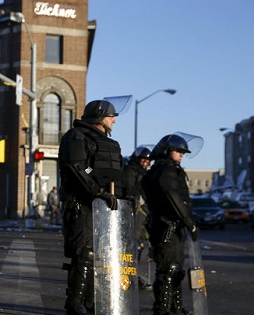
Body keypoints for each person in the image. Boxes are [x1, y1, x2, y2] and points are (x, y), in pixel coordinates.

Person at [58, 100, 125, 315]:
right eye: (111, 116)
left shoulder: (107, 143)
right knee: (84, 253)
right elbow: (76, 168)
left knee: (100, 255)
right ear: (99, 116)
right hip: (81, 205)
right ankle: (75, 304)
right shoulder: (76, 137)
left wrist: (123, 198)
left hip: (103, 209)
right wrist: (98, 192)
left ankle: (92, 303)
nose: (114, 120)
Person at [142, 134, 198, 315]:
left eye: (183, 151)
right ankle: (163, 309)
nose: (182, 154)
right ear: (167, 151)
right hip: (167, 227)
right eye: (178, 150)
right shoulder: (165, 170)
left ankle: (175, 307)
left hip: (173, 227)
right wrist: (189, 222)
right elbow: (172, 196)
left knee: (176, 270)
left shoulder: (165, 169)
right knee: (168, 270)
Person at [123, 145, 153, 290]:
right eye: (144, 159)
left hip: (143, 211)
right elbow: (130, 190)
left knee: (139, 244)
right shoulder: (131, 170)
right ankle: (128, 275)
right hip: (134, 211)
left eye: (148, 161)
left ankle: (132, 274)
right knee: (132, 244)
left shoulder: (144, 173)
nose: (146, 162)